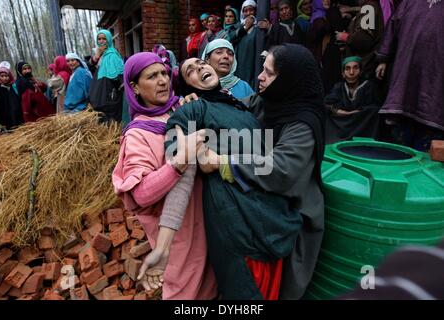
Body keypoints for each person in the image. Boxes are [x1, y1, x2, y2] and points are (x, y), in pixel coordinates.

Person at [139, 56, 303, 300]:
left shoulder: (239, 106)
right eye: (190, 71)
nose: (200, 68)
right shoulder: (192, 110)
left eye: (201, 63)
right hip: (239, 224)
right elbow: (182, 170)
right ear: (188, 87)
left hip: (272, 217)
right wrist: (163, 247)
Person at [196, 44, 326, 299]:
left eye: (269, 72)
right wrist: (200, 105)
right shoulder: (271, 100)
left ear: (289, 80)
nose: (260, 76)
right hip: (262, 203)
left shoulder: (303, 123)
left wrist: (222, 162)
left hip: (290, 214)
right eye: (263, 69)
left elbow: (280, 170)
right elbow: (236, 108)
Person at [111, 52, 217, 300]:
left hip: (209, 224)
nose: (162, 81)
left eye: (164, 74)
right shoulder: (138, 135)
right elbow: (142, 193)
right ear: (135, 87)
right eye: (151, 76)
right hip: (177, 237)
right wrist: (179, 162)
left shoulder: (182, 108)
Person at [375, 0, 444, 151]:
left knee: (428, 147)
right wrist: (383, 59)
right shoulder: (408, 3)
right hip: (406, 75)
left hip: (436, 80)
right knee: (400, 146)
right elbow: (392, 29)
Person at [324, 56, 381, 143]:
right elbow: (325, 104)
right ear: (343, 73)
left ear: (361, 71)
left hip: (361, 123)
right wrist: (336, 111)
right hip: (343, 123)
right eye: (347, 69)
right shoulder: (339, 87)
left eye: (355, 68)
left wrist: (359, 112)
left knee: (374, 111)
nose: (351, 72)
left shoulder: (369, 86)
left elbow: (375, 106)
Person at [307, 0, 348, 94]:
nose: (327, 1)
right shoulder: (318, 19)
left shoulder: (327, 15)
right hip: (322, 57)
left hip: (328, 56)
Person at [88, 29, 125, 123]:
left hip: (109, 96)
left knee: (110, 124)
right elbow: (91, 70)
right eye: (99, 39)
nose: (101, 41)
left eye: (104, 38)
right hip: (99, 97)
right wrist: (96, 57)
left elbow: (120, 77)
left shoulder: (113, 55)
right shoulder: (100, 56)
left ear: (109, 39)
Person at [231, 0, 258, 89]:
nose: (248, 13)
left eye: (251, 10)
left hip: (253, 62)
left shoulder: (259, 27)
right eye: (245, 11)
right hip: (241, 62)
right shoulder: (238, 26)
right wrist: (246, 27)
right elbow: (231, 37)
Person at [0, 67, 23, 132]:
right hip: (7, 115)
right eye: (2, 76)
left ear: (9, 76)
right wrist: (1, 121)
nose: (5, 78)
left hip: (17, 113)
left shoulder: (13, 86)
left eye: (6, 76)